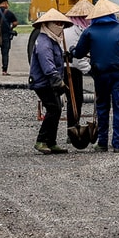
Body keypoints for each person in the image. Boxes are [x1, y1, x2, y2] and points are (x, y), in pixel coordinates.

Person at [72, 0, 119, 153]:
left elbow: (79, 53)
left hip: (100, 75)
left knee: (102, 107)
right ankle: (118, 144)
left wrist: (71, 50)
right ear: (112, 14)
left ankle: (102, 142)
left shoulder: (89, 31)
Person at [28, 8, 73, 154]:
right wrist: (56, 79)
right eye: (57, 23)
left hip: (49, 81)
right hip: (43, 82)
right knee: (54, 109)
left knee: (57, 109)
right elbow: (47, 63)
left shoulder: (52, 40)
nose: (60, 26)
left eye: (61, 23)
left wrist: (65, 55)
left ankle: (51, 141)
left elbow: (55, 58)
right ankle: (41, 140)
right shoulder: (43, 42)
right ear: (48, 24)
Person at [62, 0, 93, 134]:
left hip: (73, 67)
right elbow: (77, 58)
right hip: (69, 68)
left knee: (75, 99)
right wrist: (91, 70)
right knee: (74, 99)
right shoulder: (72, 31)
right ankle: (72, 129)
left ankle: (73, 127)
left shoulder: (79, 29)